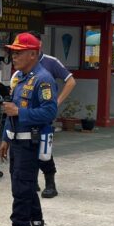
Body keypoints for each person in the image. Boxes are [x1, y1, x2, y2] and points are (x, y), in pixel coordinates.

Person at [0, 33, 59, 226]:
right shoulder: (19, 77)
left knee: (21, 191)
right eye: (13, 51)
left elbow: (50, 112)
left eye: (19, 51)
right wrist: (5, 138)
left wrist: (19, 112)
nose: (14, 55)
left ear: (33, 54)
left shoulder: (43, 79)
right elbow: (10, 110)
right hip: (17, 141)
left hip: (31, 143)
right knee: (27, 187)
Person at [36, 43, 76, 198]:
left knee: (44, 150)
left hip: (44, 114)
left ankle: (50, 184)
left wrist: (57, 101)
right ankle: (32, 182)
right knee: (26, 147)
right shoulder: (23, 62)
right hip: (26, 113)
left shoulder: (50, 62)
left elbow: (71, 81)